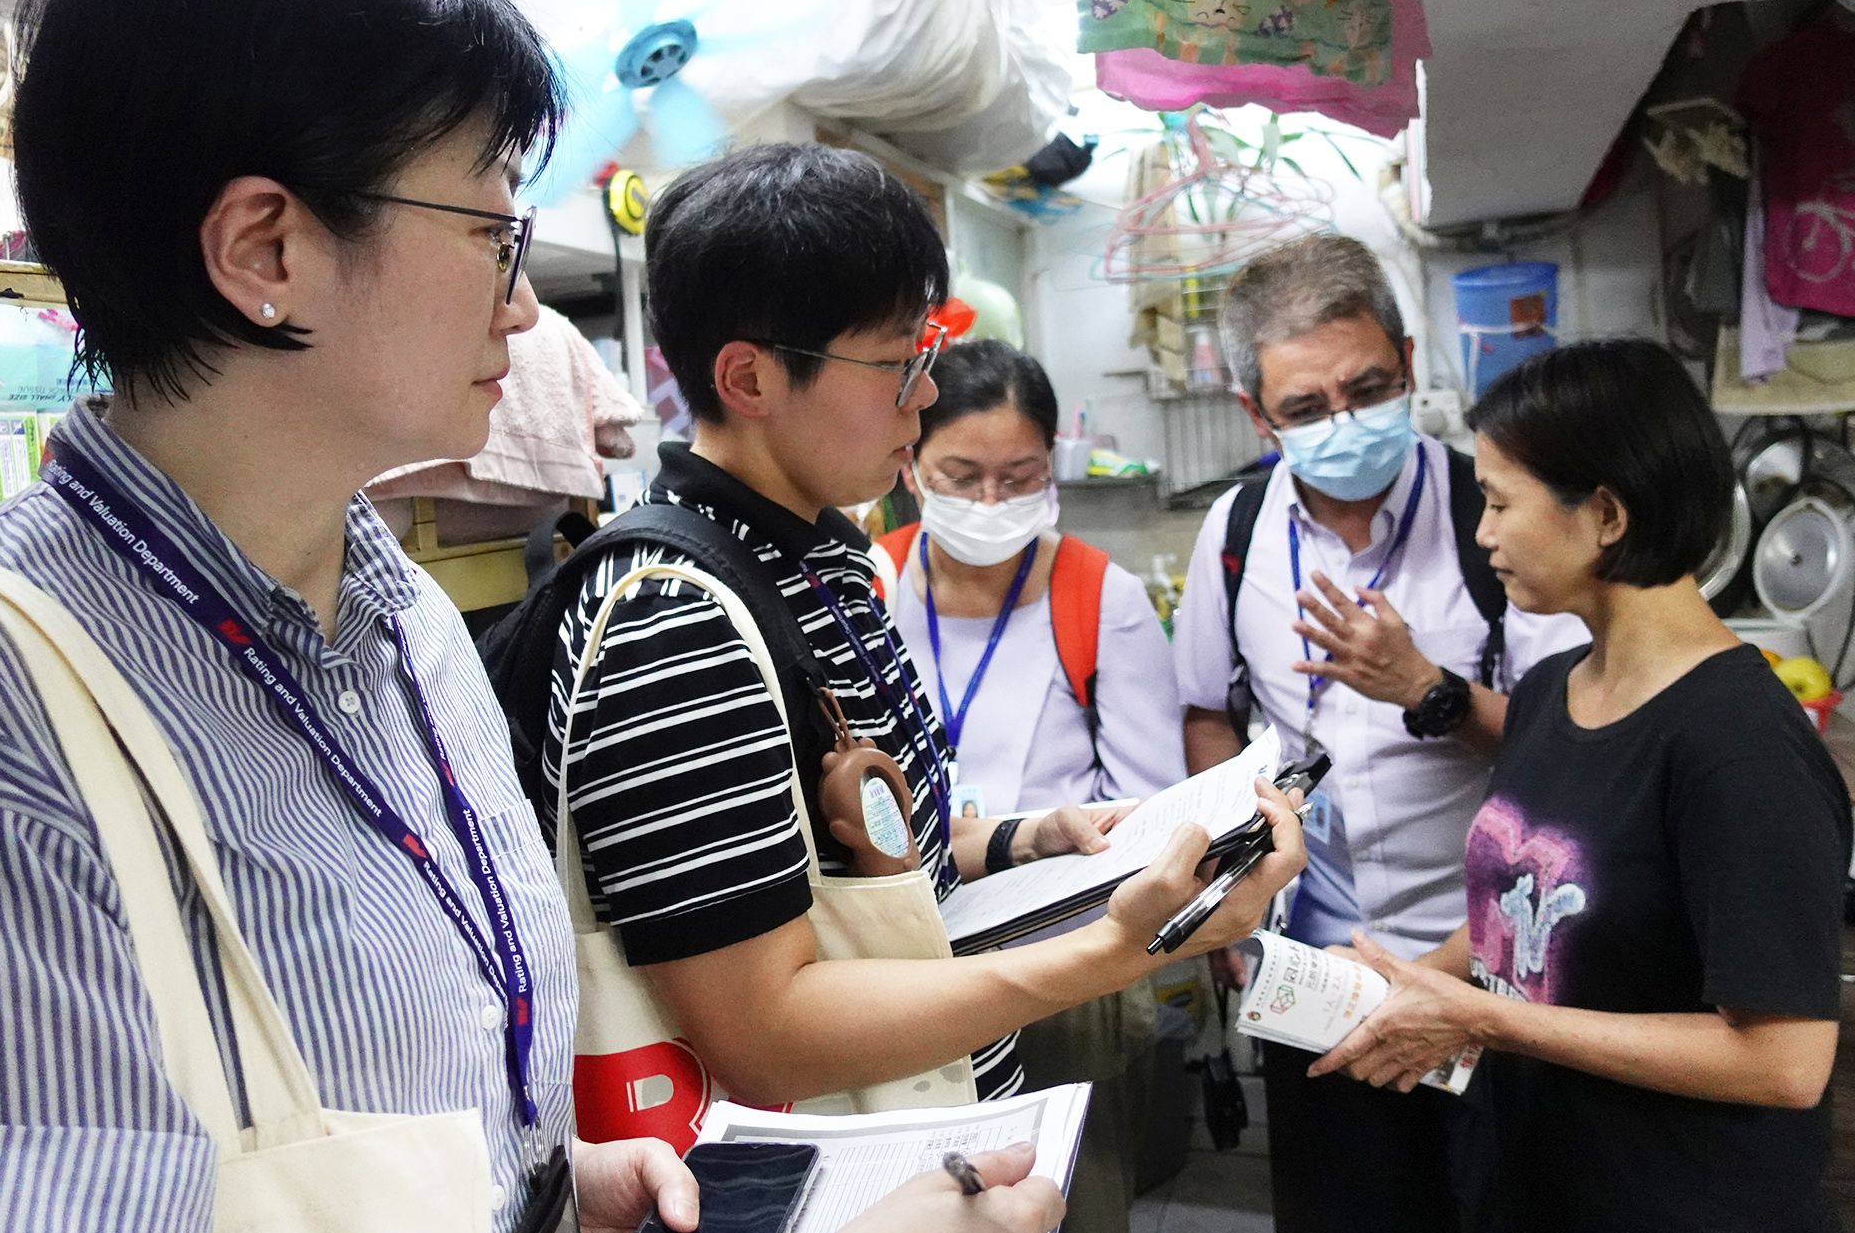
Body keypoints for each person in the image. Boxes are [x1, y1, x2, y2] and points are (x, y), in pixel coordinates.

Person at [0, 0, 1061, 1233]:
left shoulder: (404, 621)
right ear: (265, 248)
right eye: (492, 233)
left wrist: (541, 1197)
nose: (525, 304)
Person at [540, 142, 1305, 1151]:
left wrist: (1022, 839)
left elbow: (858, 857)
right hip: (825, 1173)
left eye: (927, 353)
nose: (925, 393)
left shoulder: (824, 560)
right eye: (898, 362)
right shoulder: (677, 619)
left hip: (919, 1120)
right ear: (749, 376)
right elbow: (763, 1031)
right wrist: (1118, 948)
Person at [1310, 339, 1851, 1233]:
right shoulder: (1551, 690)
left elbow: (1784, 1062)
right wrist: (1397, 983)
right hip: (1542, 1198)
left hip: (1684, 1229)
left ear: (1604, 514)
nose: (1483, 534)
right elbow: (1520, 918)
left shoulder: (1738, 742)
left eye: (1499, 501)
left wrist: (1486, 1018)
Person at [1171, 234, 1585, 1233]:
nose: (1344, 422)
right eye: (1306, 407)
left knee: (1505, 1230)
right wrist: (1229, 891)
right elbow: (1207, 712)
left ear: (1407, 362)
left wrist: (1428, 691)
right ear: (1257, 414)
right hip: (1317, 972)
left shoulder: (1495, 514)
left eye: (1366, 388)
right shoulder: (1236, 531)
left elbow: (1579, 752)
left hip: (1495, 966)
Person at [876, 339, 1186, 1233]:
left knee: (1068, 1217)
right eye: (960, 475)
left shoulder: (1098, 594)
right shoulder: (867, 582)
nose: (989, 502)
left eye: (1018, 477)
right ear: (910, 465)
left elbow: (1149, 806)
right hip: (899, 964)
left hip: (1061, 963)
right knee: (910, 1218)